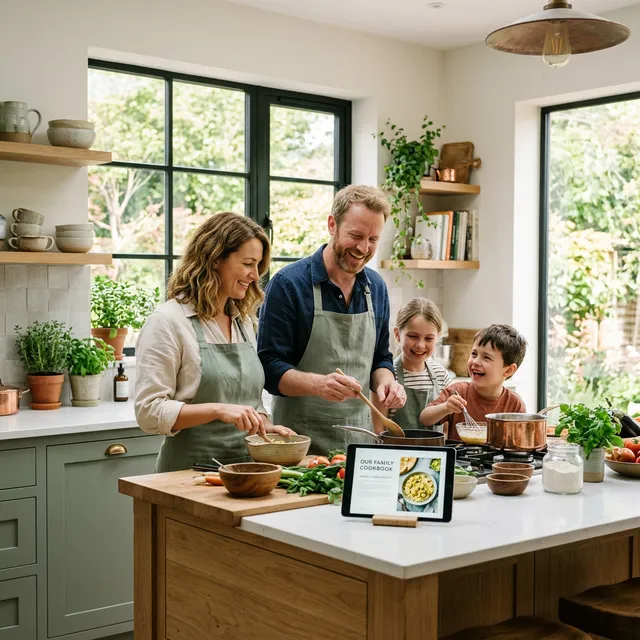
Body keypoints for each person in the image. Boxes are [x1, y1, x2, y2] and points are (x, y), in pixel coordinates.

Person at [135, 212, 294, 472]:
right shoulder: (169, 321)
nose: (255, 276)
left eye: (258, 266)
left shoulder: (243, 322)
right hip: (189, 473)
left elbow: (250, 399)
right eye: (247, 264)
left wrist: (264, 424)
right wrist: (217, 410)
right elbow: (148, 412)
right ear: (215, 258)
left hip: (244, 471)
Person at [258, 184, 406, 454]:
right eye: (356, 235)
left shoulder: (376, 288)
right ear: (331, 225)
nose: (363, 248)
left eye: (373, 239)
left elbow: (380, 358)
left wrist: (387, 382)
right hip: (298, 444)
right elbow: (268, 368)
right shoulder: (289, 284)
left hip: (360, 443)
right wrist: (318, 384)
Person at [420, 324, 527, 440]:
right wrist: (446, 407)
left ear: (508, 370)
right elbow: (424, 419)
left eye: (487, 357)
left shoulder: (514, 404)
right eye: (474, 354)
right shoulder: (457, 392)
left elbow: (520, 440)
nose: (475, 361)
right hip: (459, 458)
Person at [372, 297, 453, 433]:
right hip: (395, 453)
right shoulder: (387, 377)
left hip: (435, 454)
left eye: (428, 338)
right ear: (397, 334)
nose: (420, 345)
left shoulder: (442, 376)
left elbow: (446, 429)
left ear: (438, 337)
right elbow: (379, 431)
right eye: (413, 336)